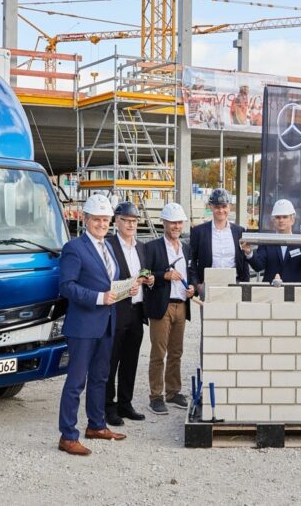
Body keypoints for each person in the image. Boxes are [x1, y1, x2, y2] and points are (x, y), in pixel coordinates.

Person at [57, 194, 133, 456]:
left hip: (106, 323)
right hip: (83, 326)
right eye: (97, 219)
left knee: (100, 378)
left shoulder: (107, 246)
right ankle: (68, 436)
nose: (102, 224)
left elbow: (107, 281)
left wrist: (125, 290)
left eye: (105, 220)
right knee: (76, 382)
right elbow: (66, 286)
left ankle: (96, 425)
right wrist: (99, 298)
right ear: (86, 220)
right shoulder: (74, 248)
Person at [143, 202, 195, 415]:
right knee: (158, 352)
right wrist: (164, 275)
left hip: (181, 305)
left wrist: (192, 288)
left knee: (176, 352)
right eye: (172, 222)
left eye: (179, 222)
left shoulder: (186, 248)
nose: (176, 226)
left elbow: (191, 273)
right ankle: (156, 396)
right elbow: (144, 273)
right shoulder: (152, 247)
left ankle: (173, 392)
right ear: (163, 222)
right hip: (161, 307)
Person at [104, 201, 154, 426]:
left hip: (137, 311)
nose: (131, 225)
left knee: (130, 361)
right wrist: (125, 289)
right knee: (111, 361)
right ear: (117, 221)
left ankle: (125, 403)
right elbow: (105, 279)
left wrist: (150, 280)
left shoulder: (141, 247)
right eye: (127, 220)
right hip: (116, 311)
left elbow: (144, 273)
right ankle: (108, 407)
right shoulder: (108, 246)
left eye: (134, 221)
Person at [188, 188, 250, 298]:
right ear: (210, 207)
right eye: (217, 207)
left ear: (229, 207)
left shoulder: (239, 231)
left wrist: (245, 285)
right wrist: (197, 285)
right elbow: (191, 259)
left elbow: (244, 260)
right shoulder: (199, 232)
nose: (221, 210)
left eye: (224, 206)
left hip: (234, 284)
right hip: (208, 285)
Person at [241, 199, 301, 283]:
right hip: (271, 289)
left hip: (294, 288)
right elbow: (258, 266)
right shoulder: (267, 242)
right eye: (278, 217)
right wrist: (249, 252)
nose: (281, 220)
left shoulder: (300, 242)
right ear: (273, 220)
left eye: (285, 217)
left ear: (292, 220)